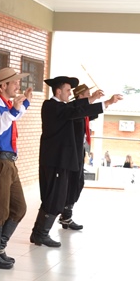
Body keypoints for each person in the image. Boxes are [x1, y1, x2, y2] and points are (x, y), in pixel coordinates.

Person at [32, 75, 121, 247]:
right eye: (67, 90)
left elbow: (76, 110)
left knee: (55, 196)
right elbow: (73, 109)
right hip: (55, 160)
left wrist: (94, 101)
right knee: (54, 197)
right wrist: (105, 102)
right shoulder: (51, 106)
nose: (69, 93)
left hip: (60, 160)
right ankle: (41, 234)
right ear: (58, 91)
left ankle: (38, 234)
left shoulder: (63, 107)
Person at [0, 67, 32, 269]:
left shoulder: (6, 105)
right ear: (3, 85)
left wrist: (25, 102)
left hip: (9, 163)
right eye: (15, 83)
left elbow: (14, 117)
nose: (18, 86)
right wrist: (13, 110)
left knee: (19, 208)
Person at [59, 83, 95, 231]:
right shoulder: (72, 110)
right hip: (71, 152)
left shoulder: (82, 110)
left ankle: (66, 214)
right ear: (80, 96)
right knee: (72, 183)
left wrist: (107, 103)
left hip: (79, 151)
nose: (89, 98)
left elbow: (92, 112)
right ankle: (65, 215)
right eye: (87, 95)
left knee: (78, 183)